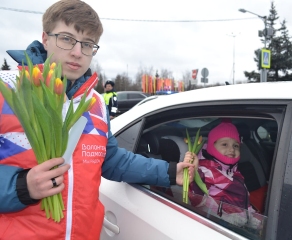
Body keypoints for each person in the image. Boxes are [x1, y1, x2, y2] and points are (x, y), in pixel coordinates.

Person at [0, 1, 195, 239]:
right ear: (45, 38)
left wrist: (169, 172)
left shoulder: (96, 102)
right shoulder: (8, 90)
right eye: (66, 38)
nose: (77, 52)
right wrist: (21, 186)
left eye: (88, 44)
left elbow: (110, 159)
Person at [184, 119, 260, 228]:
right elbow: (197, 201)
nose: (231, 149)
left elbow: (244, 202)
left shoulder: (234, 172)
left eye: (236, 146)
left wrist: (256, 221)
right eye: (224, 144)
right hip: (221, 226)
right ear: (211, 147)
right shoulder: (205, 171)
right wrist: (195, 175)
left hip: (241, 223)